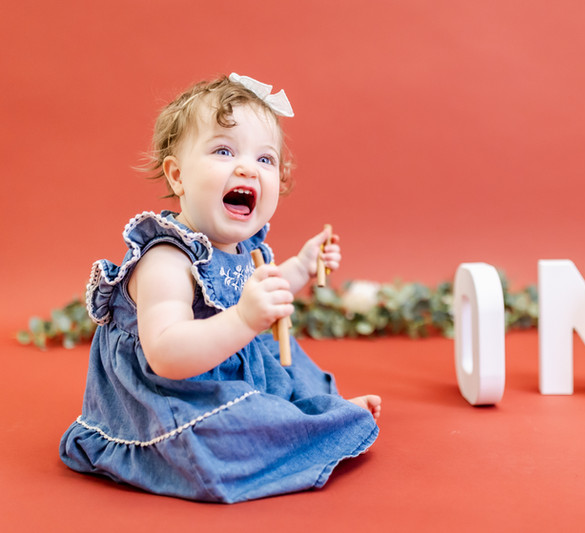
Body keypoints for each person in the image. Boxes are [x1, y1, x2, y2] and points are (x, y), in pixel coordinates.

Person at [59, 73, 381, 503]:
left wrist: (302, 267)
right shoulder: (165, 260)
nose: (247, 167)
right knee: (222, 435)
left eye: (265, 159)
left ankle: (310, 417)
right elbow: (167, 355)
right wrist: (245, 318)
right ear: (178, 176)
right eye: (224, 151)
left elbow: (264, 290)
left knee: (290, 366)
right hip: (170, 399)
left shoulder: (246, 249)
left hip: (232, 371)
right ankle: (305, 428)